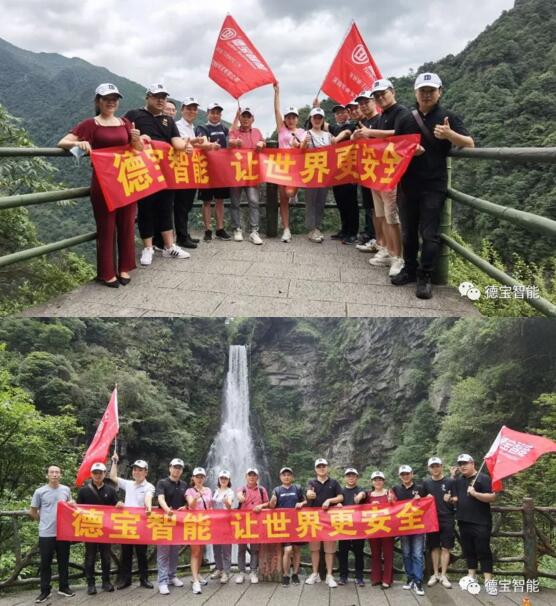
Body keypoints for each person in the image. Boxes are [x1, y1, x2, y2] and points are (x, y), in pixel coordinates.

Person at [392, 72, 475, 299]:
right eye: (423, 90)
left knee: (429, 234)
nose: (427, 95)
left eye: (431, 90)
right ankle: (409, 270)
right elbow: (394, 149)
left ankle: (424, 276)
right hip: (408, 184)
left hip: (433, 185)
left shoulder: (448, 117)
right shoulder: (406, 119)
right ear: (416, 93)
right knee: (408, 232)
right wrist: (410, 151)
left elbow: (469, 144)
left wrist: (450, 134)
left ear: (440, 92)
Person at [57, 83, 143, 287]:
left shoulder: (125, 123)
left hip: (125, 179)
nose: (111, 102)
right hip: (103, 183)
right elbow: (62, 142)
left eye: (115, 98)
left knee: (127, 224)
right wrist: (78, 143)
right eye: (107, 98)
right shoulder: (90, 124)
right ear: (98, 101)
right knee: (106, 226)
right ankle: (107, 272)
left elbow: (136, 150)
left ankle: (124, 268)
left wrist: (137, 140)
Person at [124, 83, 190, 266]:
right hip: (144, 170)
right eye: (156, 96)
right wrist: (134, 137)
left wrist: (186, 145)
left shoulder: (168, 120)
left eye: (163, 97)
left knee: (166, 206)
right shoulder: (133, 115)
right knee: (146, 208)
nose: (161, 100)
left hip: (166, 171)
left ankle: (169, 246)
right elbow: (122, 136)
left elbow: (176, 141)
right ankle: (148, 247)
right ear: (148, 97)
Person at [353, 79, 410, 277]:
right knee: (383, 215)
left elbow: (402, 135)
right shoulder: (383, 115)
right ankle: (388, 250)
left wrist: (371, 132)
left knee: (392, 216)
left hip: (392, 175)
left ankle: (399, 257)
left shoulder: (402, 113)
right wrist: (362, 136)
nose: (380, 98)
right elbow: (374, 138)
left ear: (392, 91)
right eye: (376, 96)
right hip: (377, 173)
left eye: (382, 94)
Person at [450, 454, 497, 596]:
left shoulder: (483, 478)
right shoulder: (459, 481)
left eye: (465, 463)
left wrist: (475, 493)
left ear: (473, 463)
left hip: (481, 521)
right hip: (464, 520)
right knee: (468, 550)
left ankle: (489, 580)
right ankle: (471, 577)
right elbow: (458, 497)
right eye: (460, 463)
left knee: (483, 550)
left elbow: (493, 497)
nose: (462, 466)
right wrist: (452, 499)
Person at [301, 108, 350, 243]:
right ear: (310, 119)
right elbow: (301, 150)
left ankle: (317, 227)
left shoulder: (328, 135)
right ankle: (312, 229)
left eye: (319, 118)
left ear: (323, 120)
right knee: (311, 201)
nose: (317, 120)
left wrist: (347, 132)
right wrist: (304, 144)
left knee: (320, 202)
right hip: (311, 172)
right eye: (315, 118)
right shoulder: (306, 134)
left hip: (324, 173)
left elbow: (336, 143)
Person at [166, 97, 207, 249]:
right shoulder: (177, 125)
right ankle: (182, 237)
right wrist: (198, 141)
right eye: (189, 108)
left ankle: (184, 233)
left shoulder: (192, 126)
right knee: (181, 205)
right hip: (180, 171)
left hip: (191, 171)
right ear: (182, 110)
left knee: (187, 204)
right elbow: (182, 142)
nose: (192, 111)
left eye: (194, 109)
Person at [30, 465, 75, 603]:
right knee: (45, 563)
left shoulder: (66, 490)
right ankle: (45, 591)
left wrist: (72, 503)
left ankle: (64, 587)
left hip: (63, 533)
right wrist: (43, 521)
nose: (54, 474)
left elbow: (70, 506)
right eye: (52, 472)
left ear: (60, 475)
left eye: (57, 472)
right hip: (46, 533)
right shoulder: (39, 492)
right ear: (47, 475)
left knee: (63, 561)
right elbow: (32, 511)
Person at [109, 454, 154, 589]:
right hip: (127, 524)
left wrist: (149, 507)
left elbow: (148, 497)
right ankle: (126, 580)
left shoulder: (149, 486)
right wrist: (115, 462)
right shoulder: (128, 484)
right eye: (135, 469)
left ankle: (144, 579)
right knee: (126, 553)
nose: (137, 472)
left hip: (141, 525)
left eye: (140, 470)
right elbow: (112, 477)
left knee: (142, 553)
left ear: (146, 472)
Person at [76, 462, 121, 595]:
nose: (97, 475)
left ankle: (106, 582)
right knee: (90, 557)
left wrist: (119, 503)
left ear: (104, 474)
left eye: (100, 473)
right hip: (89, 529)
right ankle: (90, 584)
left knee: (106, 557)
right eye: (95, 472)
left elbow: (116, 505)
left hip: (105, 530)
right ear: (91, 474)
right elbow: (78, 510)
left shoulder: (110, 490)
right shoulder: (84, 490)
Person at [273, 82, 306, 242]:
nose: (291, 119)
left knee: (290, 193)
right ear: (285, 119)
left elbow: (305, 147)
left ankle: (296, 192)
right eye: (288, 117)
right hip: (281, 167)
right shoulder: (282, 130)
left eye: (293, 117)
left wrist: (298, 145)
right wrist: (277, 93)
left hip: (295, 168)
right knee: (283, 199)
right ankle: (286, 229)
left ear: (297, 119)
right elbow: (276, 110)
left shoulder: (302, 132)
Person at [228, 107, 265, 245]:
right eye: (243, 116)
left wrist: (262, 143)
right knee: (235, 203)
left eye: (248, 116)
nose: (245, 119)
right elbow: (229, 142)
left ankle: (254, 231)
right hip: (236, 173)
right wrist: (233, 142)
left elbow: (263, 143)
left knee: (254, 202)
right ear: (239, 118)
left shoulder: (257, 132)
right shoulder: (234, 131)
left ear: (252, 119)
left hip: (252, 173)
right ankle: (237, 229)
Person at [305, 458, 343, 588]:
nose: (321, 468)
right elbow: (308, 492)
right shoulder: (311, 482)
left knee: (329, 549)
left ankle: (329, 575)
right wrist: (309, 494)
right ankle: (315, 573)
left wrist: (330, 500)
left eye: (323, 466)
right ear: (315, 469)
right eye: (319, 466)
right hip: (314, 519)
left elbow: (341, 497)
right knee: (314, 549)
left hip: (329, 520)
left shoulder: (334, 482)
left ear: (327, 468)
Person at [197, 103, 231, 242]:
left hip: (221, 171)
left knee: (220, 201)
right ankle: (207, 230)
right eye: (213, 112)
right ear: (207, 113)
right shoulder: (202, 128)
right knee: (206, 201)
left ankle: (220, 228)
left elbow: (231, 143)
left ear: (220, 115)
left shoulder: (225, 129)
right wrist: (210, 145)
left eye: (218, 112)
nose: (215, 115)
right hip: (206, 170)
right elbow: (202, 143)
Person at [353, 91, 381, 253]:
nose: (363, 106)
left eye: (366, 102)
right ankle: (376, 240)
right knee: (370, 207)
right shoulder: (363, 122)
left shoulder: (381, 120)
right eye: (361, 103)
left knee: (382, 211)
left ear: (374, 102)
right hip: (366, 170)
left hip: (380, 171)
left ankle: (382, 243)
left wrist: (369, 134)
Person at [391, 465, 426, 596]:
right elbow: (392, 506)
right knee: (406, 553)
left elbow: (428, 502)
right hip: (403, 526)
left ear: (412, 474)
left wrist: (420, 500)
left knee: (417, 554)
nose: (405, 476)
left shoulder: (420, 489)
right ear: (400, 476)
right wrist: (390, 501)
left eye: (407, 473)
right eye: (403, 474)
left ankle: (418, 581)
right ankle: (410, 578)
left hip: (418, 526)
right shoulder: (395, 489)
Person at [154, 458, 188, 595]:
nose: (177, 470)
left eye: (179, 468)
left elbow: (187, 502)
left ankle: (172, 575)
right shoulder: (162, 482)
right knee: (163, 552)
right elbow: (160, 498)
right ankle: (162, 581)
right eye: (175, 467)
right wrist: (167, 509)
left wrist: (185, 507)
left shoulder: (184, 485)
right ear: (170, 468)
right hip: (163, 521)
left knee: (174, 551)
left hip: (178, 523)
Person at [268, 466, 306, 587]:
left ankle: (295, 574)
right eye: (284, 475)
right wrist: (272, 502)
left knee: (297, 550)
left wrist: (301, 503)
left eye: (288, 474)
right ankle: (285, 575)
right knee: (288, 550)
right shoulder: (277, 490)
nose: (286, 477)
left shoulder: (298, 488)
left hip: (297, 523)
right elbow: (272, 506)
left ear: (292, 477)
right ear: (280, 477)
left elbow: (305, 501)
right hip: (283, 525)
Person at [422, 456, 455, 589]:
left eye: (437, 466)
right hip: (432, 520)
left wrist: (451, 499)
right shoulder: (426, 483)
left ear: (441, 466)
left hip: (447, 518)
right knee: (434, 547)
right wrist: (424, 498)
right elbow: (420, 502)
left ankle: (443, 575)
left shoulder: (450, 482)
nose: (435, 468)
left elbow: (457, 498)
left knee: (446, 547)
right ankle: (435, 574)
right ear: (429, 468)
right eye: (432, 466)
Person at [328, 104, 359, 244]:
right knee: (340, 201)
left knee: (351, 202)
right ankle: (344, 230)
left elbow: (346, 133)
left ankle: (353, 232)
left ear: (347, 113)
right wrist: (316, 107)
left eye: (342, 112)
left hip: (350, 170)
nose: (339, 115)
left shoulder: (352, 126)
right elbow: (322, 124)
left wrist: (336, 139)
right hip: (336, 171)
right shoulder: (334, 128)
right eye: (337, 113)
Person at [235, 468, 269, 585]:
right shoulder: (242, 488)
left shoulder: (261, 489)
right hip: (243, 523)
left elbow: (268, 503)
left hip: (256, 523)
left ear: (257, 477)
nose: (252, 477)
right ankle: (241, 572)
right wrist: (240, 497)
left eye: (254, 475)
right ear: (246, 476)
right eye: (250, 475)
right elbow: (238, 494)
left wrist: (261, 506)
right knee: (241, 549)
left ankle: (253, 571)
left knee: (255, 549)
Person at [185, 467, 213, 595]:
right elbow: (191, 505)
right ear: (193, 478)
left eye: (202, 477)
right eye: (197, 477)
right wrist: (196, 497)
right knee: (195, 551)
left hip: (205, 524)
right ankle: (195, 581)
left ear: (204, 478)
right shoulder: (189, 491)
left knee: (201, 550)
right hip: (193, 524)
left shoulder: (208, 490)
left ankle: (197, 574)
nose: (199, 479)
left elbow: (210, 506)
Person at [337, 468, 366, 587]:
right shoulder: (341, 492)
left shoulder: (361, 490)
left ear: (357, 477)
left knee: (359, 553)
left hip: (359, 528)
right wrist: (337, 505)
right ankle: (343, 576)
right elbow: (337, 503)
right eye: (348, 475)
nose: (351, 477)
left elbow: (363, 494)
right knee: (343, 553)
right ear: (345, 478)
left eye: (353, 475)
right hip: (344, 528)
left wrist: (359, 497)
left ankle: (359, 577)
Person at [366, 471, 394, 589]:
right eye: (375, 479)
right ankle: (376, 577)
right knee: (375, 554)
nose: (378, 481)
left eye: (380, 479)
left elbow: (397, 508)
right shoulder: (368, 495)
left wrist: (391, 501)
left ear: (383, 481)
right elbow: (361, 510)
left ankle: (387, 579)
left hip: (387, 528)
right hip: (373, 528)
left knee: (388, 554)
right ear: (372, 482)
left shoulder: (389, 492)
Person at [210, 470, 234, 584]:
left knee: (226, 548)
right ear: (219, 479)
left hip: (225, 523)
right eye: (221, 478)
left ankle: (226, 571)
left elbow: (229, 506)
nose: (223, 480)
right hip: (215, 523)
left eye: (225, 478)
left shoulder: (230, 492)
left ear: (229, 480)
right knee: (216, 548)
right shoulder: (214, 491)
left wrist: (227, 503)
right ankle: (219, 568)